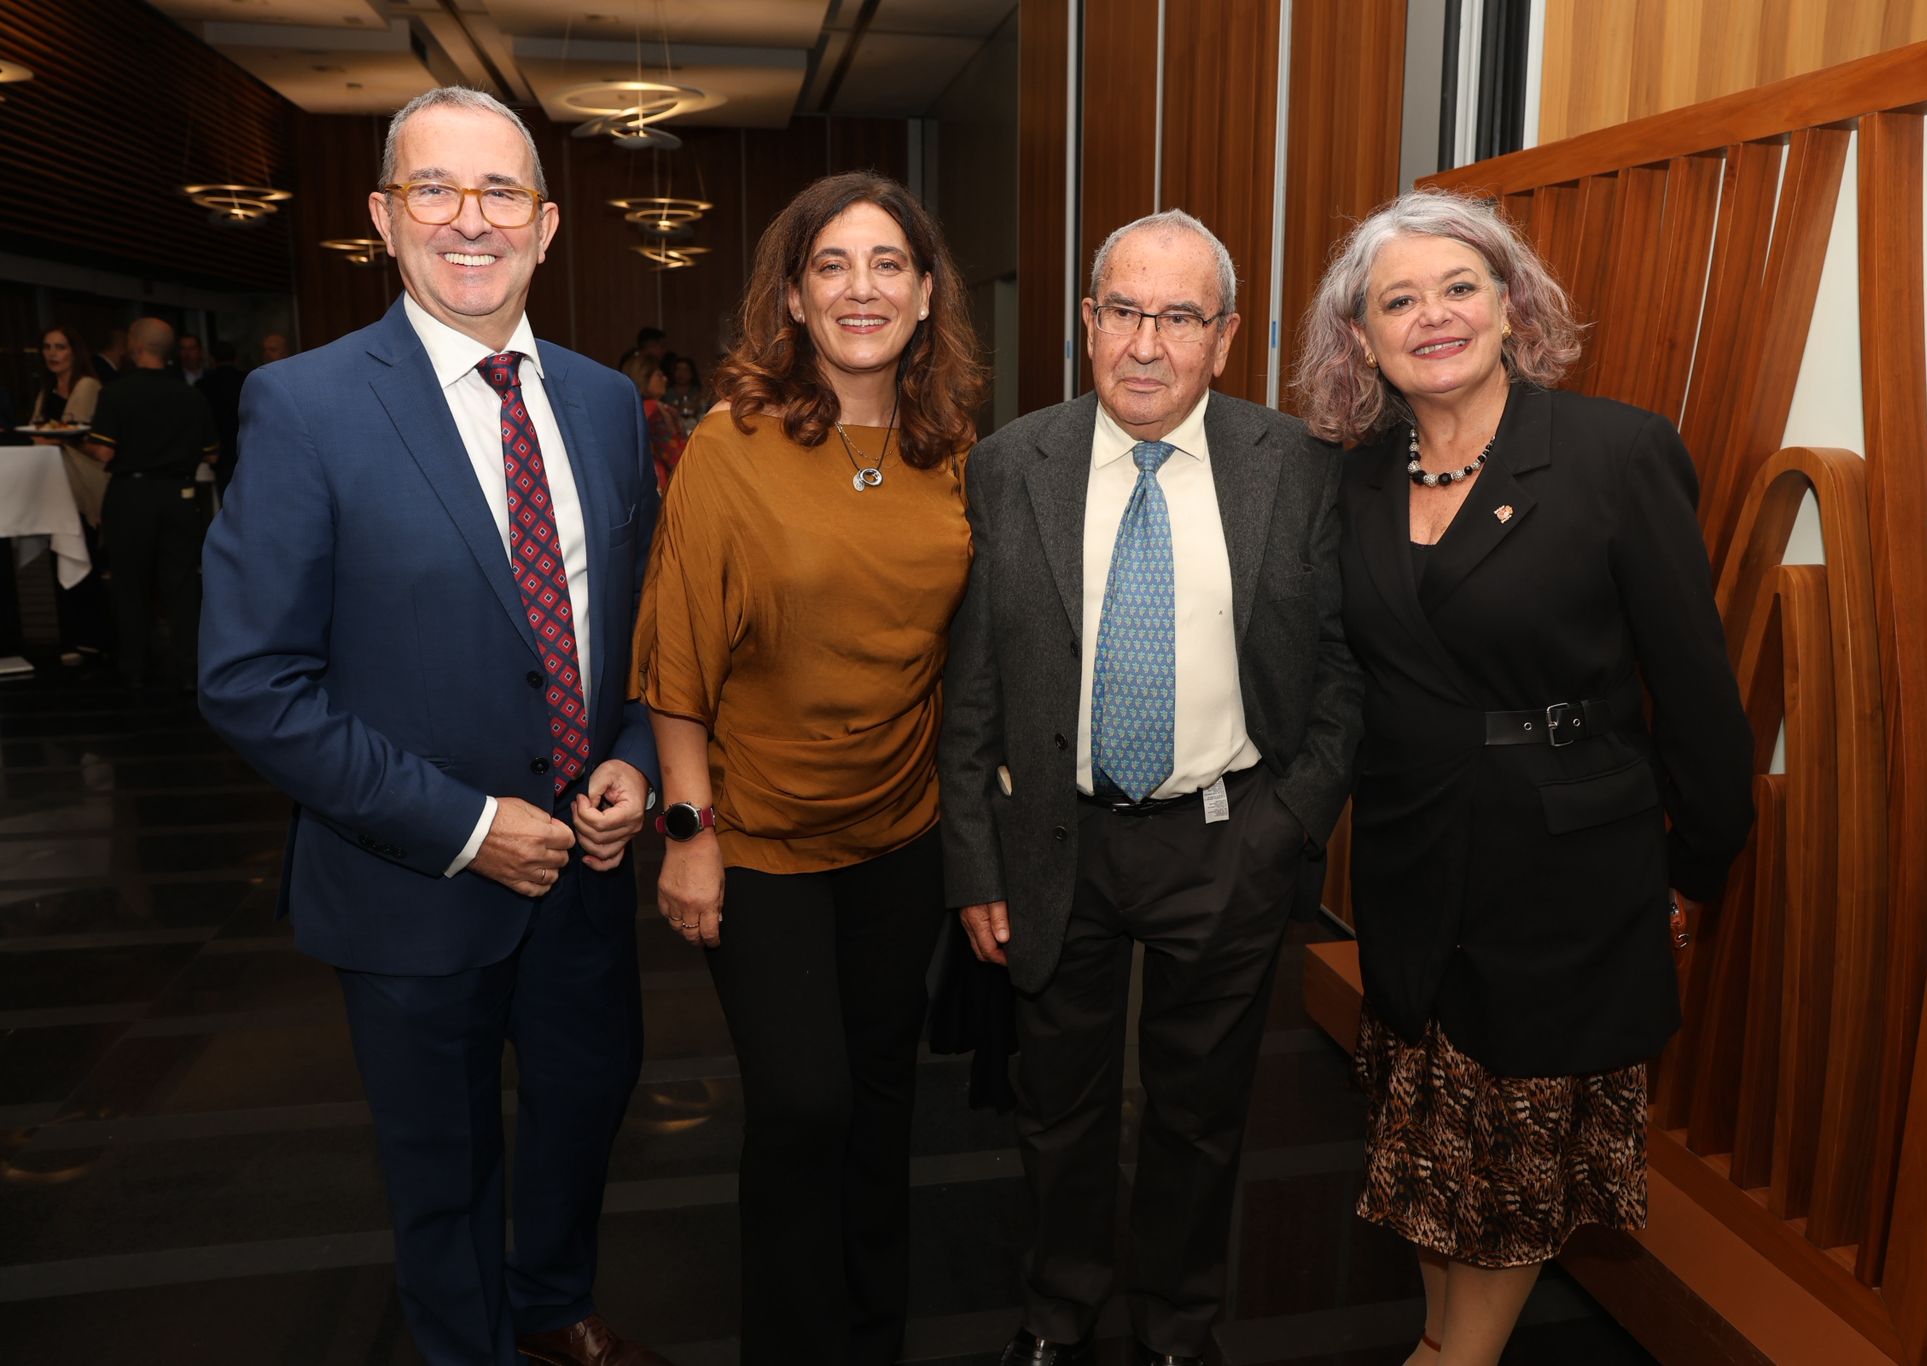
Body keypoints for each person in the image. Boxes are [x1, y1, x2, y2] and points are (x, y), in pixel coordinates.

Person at [197, 86, 669, 1366]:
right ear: (382, 218)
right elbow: (252, 678)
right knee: (443, 1161)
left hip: (585, 874)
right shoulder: (303, 407)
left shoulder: (605, 407)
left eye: (500, 192)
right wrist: (467, 829)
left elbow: (627, 639)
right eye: (435, 191)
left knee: (580, 1111)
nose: (471, 221)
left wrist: (629, 761)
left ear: (549, 222)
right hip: (410, 881)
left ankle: (549, 1301)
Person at [1290, 188, 1755, 1366]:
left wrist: (1692, 864)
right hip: (1409, 858)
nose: (1431, 314)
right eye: (1398, 298)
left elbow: (1695, 694)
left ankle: (1458, 1358)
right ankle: (1438, 1338)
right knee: (1431, 1138)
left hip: (1566, 871)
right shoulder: (1347, 481)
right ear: (1361, 338)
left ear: (1510, 303)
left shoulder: (1613, 451)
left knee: (1511, 1148)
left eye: (1459, 286)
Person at [938, 209, 1364, 1366]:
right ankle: (1057, 1307)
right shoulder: (1007, 464)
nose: (1145, 342)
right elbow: (967, 686)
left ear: (1223, 338)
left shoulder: (1299, 469)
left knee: (1198, 1111)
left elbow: (1340, 676)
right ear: (1086, 322)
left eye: (1178, 317)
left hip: (1224, 838)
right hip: (1052, 839)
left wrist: (1282, 832)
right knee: (1057, 1105)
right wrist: (975, 859)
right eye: (1122, 310)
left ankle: (1177, 1322)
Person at [630, 169, 984, 1366]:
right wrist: (688, 828)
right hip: (761, 839)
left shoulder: (951, 449)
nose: (861, 287)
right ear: (792, 296)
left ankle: (868, 1335)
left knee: (881, 1105)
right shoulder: (732, 448)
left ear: (927, 294)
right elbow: (676, 654)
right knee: (801, 1105)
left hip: (901, 834)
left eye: (887, 263)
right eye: (831, 265)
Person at [85, 317, 215, 689]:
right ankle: (191, 669)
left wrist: (78, 442)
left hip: (131, 496)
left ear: (135, 346)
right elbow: (212, 454)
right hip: (180, 496)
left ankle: (134, 668)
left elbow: (104, 451)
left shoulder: (116, 393)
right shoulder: (191, 395)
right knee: (183, 584)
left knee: (130, 585)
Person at [29, 325, 111, 663]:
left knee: (87, 558)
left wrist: (53, 436)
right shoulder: (46, 390)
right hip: (53, 484)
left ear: (74, 352)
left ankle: (94, 637)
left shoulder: (87, 385)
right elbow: (38, 430)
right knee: (60, 557)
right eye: (47, 347)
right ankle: (70, 637)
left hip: (83, 483)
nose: (52, 353)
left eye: (59, 347)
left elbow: (71, 429)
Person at [620, 354, 686, 494]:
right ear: (644, 377)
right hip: (659, 486)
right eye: (659, 375)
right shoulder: (658, 411)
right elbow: (676, 457)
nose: (665, 379)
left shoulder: (625, 409)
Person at [194, 338, 246, 488]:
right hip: (245, 446)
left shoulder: (204, 385)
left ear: (211, 359)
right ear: (235, 358)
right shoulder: (246, 380)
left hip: (219, 451)